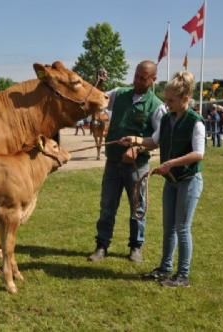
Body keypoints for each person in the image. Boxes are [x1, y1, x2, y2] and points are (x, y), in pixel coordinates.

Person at [120, 71, 205, 287]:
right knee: (168, 228)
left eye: (171, 100)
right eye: (166, 100)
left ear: (185, 98)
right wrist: (135, 139)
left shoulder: (196, 122)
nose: (166, 104)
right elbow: (153, 141)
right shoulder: (167, 119)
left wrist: (170, 163)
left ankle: (182, 275)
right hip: (172, 181)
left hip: (189, 180)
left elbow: (199, 154)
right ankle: (165, 269)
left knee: (182, 228)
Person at [87, 60, 167, 263]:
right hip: (113, 163)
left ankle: (136, 247)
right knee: (107, 206)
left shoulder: (157, 107)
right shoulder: (119, 94)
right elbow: (99, 99)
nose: (137, 80)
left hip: (137, 167)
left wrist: (138, 148)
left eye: (143, 78)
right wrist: (100, 84)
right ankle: (101, 246)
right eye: (136, 75)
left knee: (137, 208)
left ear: (153, 80)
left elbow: (160, 138)